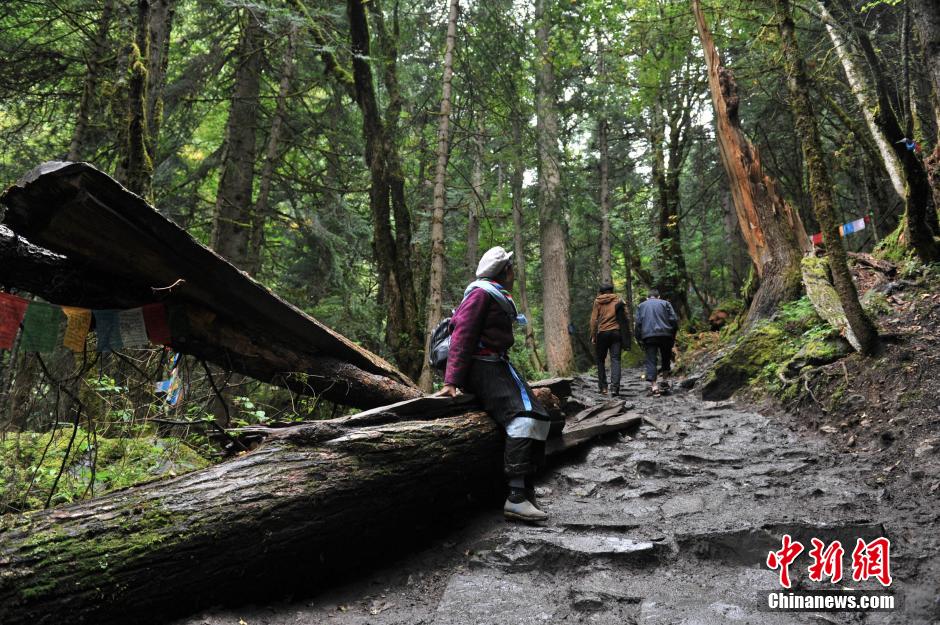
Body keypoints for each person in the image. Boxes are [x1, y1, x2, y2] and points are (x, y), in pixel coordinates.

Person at [438, 246, 551, 523]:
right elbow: (462, 334)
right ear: (505, 271)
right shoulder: (479, 293)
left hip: (496, 365)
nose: (514, 271)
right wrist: (452, 380)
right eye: (511, 267)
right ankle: (515, 498)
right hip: (482, 367)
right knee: (522, 417)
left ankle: (526, 488)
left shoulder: (494, 294)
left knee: (539, 415)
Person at [634, 288, 678, 395]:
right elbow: (673, 319)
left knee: (651, 359)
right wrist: (673, 334)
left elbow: (638, 323)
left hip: (648, 336)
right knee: (666, 357)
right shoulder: (666, 303)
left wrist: (639, 338)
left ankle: (654, 386)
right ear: (659, 297)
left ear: (647, 297)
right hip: (665, 334)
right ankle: (665, 380)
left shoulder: (641, 306)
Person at [589, 284, 629, 396]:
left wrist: (593, 335)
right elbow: (626, 316)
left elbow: (593, 320)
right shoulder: (618, 300)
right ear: (612, 291)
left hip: (602, 334)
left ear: (601, 292)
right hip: (616, 333)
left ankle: (603, 388)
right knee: (615, 360)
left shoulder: (597, 302)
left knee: (600, 360)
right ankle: (615, 388)